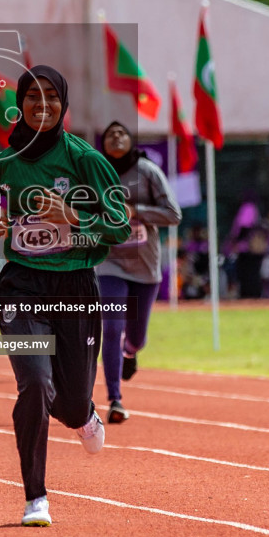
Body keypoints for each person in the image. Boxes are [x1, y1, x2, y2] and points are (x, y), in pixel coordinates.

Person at [0, 65, 130, 528]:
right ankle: (36, 495)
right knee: (35, 382)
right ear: (21, 104)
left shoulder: (87, 161)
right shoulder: (2, 165)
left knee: (71, 404)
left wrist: (72, 216)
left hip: (75, 287)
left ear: (64, 105)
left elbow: (120, 227)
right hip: (22, 285)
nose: (43, 105)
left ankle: (85, 413)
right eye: (33, 96)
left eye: (52, 97)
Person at [95, 120, 180, 423]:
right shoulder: (96, 173)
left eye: (122, 133)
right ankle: (115, 399)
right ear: (102, 144)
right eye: (110, 134)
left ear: (131, 141)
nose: (116, 137)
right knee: (112, 327)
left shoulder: (147, 171)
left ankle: (130, 352)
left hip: (144, 264)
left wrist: (136, 211)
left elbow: (173, 213)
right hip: (109, 262)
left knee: (136, 337)